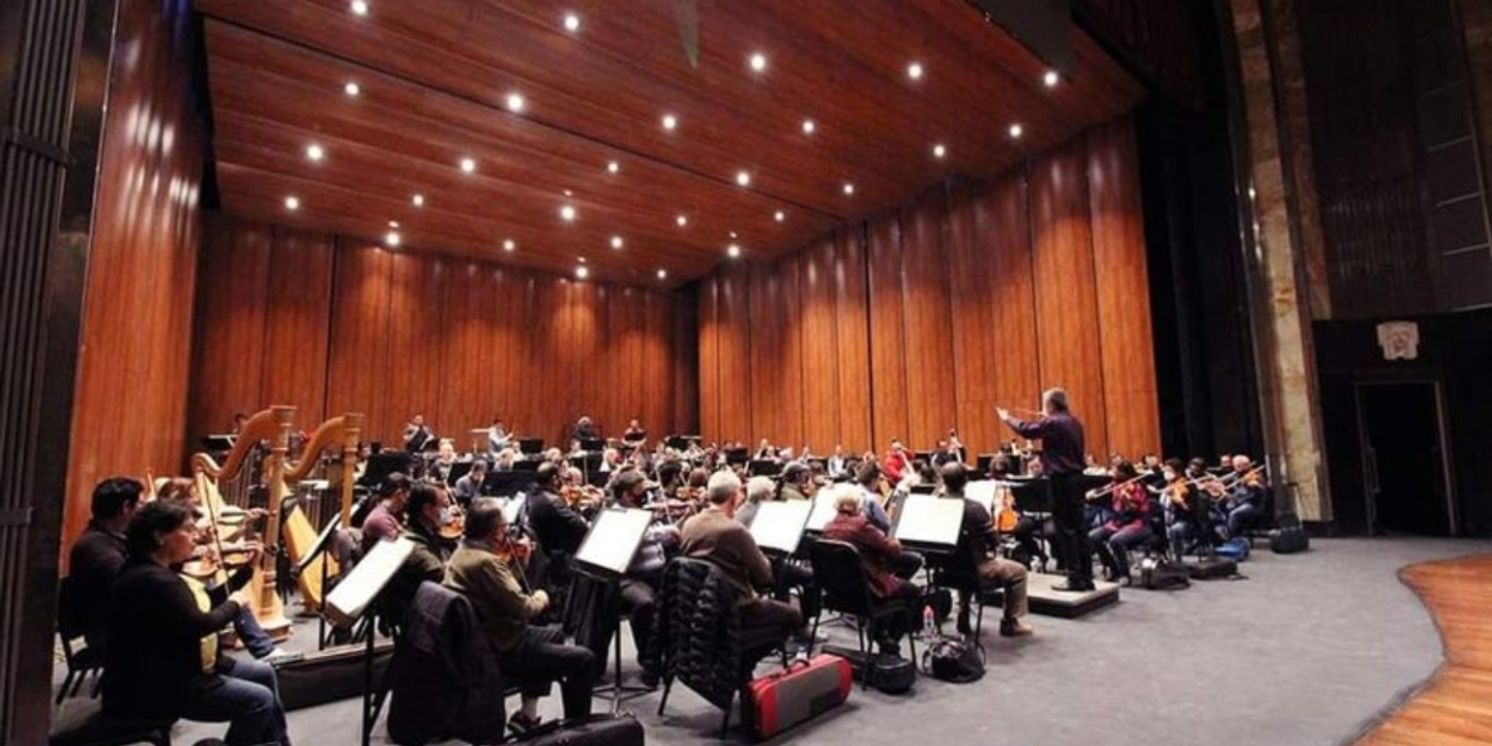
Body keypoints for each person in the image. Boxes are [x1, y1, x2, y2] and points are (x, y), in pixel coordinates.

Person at [103, 500, 291, 746]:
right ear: (160, 536)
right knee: (259, 700)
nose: (196, 537)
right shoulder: (154, 581)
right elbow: (199, 625)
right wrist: (234, 605)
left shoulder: (158, 571)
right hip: (158, 685)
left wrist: (247, 571)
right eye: (188, 529)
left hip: (184, 669)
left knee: (264, 672)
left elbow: (207, 602)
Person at [445, 499, 594, 732]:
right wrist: (543, 595)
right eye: (505, 528)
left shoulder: (462, 552)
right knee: (583, 658)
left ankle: (527, 715)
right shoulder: (486, 562)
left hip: (487, 634)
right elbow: (524, 608)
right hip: (502, 645)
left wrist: (521, 563)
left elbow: (502, 590)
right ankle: (579, 732)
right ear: (495, 534)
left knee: (553, 636)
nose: (507, 533)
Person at [680, 471, 803, 667]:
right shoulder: (735, 530)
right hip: (736, 607)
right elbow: (765, 578)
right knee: (793, 616)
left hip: (700, 603)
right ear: (734, 498)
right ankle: (743, 662)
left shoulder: (689, 523)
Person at [998, 388, 1094, 592]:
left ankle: (1074, 578)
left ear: (1051, 404)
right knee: (1079, 529)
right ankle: (1086, 576)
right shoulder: (1074, 421)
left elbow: (1026, 430)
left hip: (1061, 480)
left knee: (1065, 529)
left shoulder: (1054, 422)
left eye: (1044, 403)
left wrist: (1007, 418)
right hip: (1077, 479)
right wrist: (1047, 419)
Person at [821, 490, 923, 655]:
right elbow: (892, 551)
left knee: (897, 580)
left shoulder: (827, 527)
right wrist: (895, 542)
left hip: (839, 593)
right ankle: (888, 641)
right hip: (867, 591)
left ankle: (881, 628)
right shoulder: (861, 525)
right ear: (858, 506)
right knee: (913, 592)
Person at [940, 463, 1033, 636]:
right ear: (965, 481)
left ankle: (963, 614)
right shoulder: (975, 508)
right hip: (976, 570)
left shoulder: (934, 506)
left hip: (943, 570)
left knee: (961, 560)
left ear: (943, 481)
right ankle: (1010, 622)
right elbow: (994, 541)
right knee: (1018, 571)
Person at [610, 470, 678, 686]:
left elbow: (660, 542)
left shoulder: (642, 512)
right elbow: (639, 538)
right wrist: (667, 529)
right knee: (646, 604)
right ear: (625, 495)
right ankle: (649, 661)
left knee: (683, 594)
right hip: (630, 577)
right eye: (640, 492)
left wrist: (675, 529)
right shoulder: (617, 515)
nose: (645, 496)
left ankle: (674, 658)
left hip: (657, 572)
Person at [68, 477, 143, 650]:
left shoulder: (118, 537)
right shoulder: (93, 546)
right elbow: (131, 584)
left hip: (124, 620)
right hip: (108, 633)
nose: (143, 511)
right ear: (126, 507)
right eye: (140, 504)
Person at [385, 482, 454, 625]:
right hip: (423, 618)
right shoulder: (412, 543)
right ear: (427, 510)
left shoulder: (426, 531)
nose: (447, 512)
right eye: (443, 506)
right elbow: (441, 574)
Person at [1088, 461, 1153, 584]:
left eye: (1116, 471)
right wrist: (1093, 492)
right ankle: (1113, 569)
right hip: (1118, 522)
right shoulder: (1116, 484)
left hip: (1137, 523)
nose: (1113, 473)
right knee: (1093, 536)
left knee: (1115, 540)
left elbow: (1134, 510)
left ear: (1125, 473)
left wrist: (1126, 500)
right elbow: (1102, 489)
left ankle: (1125, 575)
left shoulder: (1138, 486)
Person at [524, 463, 590, 577]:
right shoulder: (553, 501)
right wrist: (577, 511)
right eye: (561, 478)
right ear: (554, 479)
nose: (562, 482)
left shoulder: (532, 495)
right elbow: (581, 527)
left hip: (546, 551)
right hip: (559, 558)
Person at [360, 473, 410, 555]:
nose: (406, 502)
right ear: (399, 494)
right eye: (406, 497)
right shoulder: (380, 519)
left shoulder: (387, 514)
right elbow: (403, 550)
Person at [1224, 455, 1268, 537]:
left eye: (1238, 466)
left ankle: (1230, 535)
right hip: (1241, 502)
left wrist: (1254, 485)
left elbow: (1255, 495)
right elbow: (1226, 480)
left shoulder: (1256, 476)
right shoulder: (1238, 475)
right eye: (1235, 466)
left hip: (1254, 504)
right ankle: (1232, 530)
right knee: (1224, 507)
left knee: (1234, 514)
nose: (1236, 468)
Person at [852, 461, 893, 533]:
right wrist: (890, 513)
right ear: (874, 480)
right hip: (868, 535)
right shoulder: (871, 499)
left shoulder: (852, 491)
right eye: (879, 480)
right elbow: (886, 524)